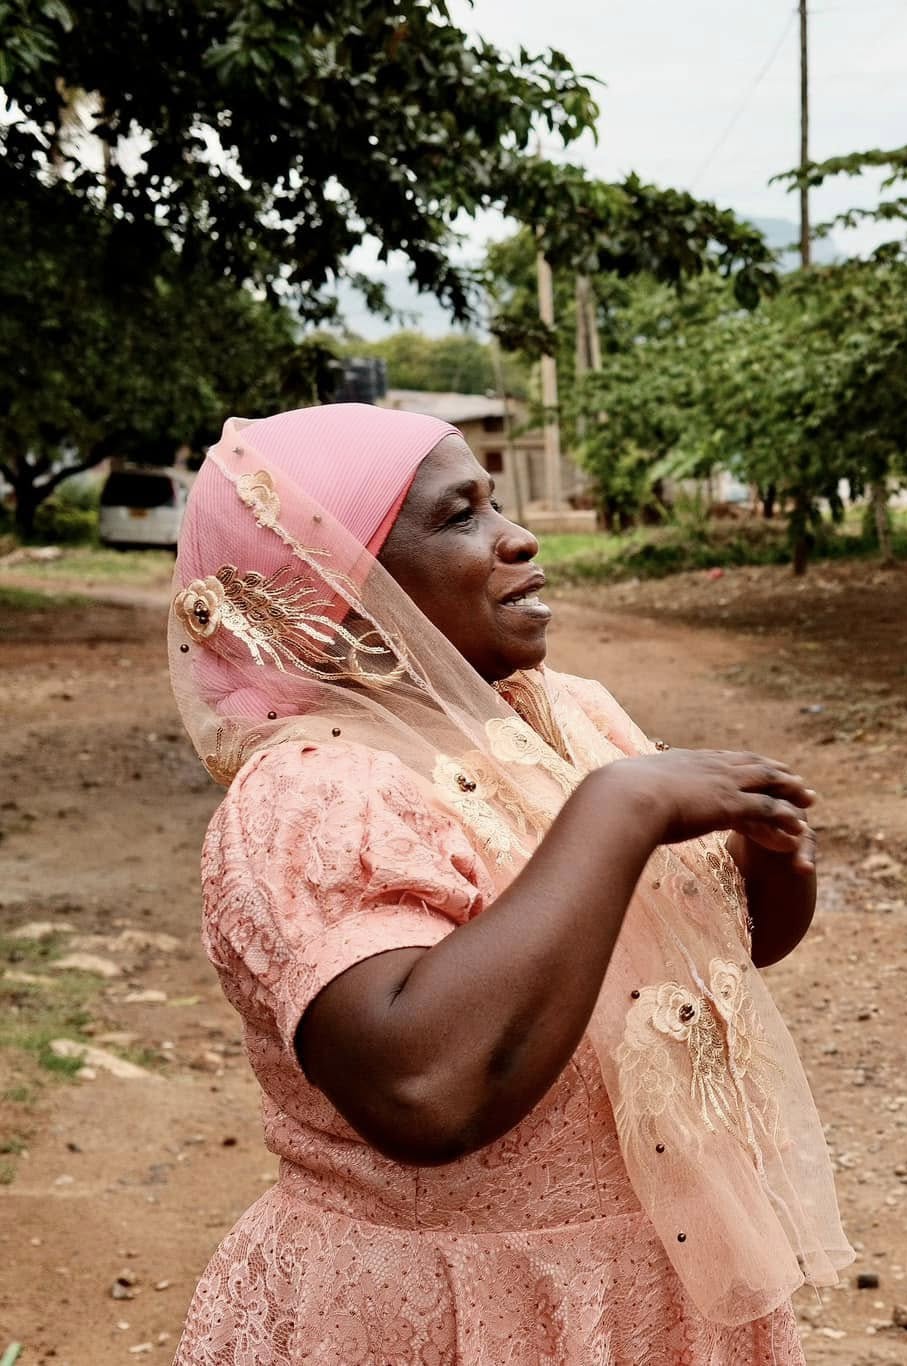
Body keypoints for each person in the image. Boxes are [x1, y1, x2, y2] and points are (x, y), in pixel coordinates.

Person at [168, 404, 850, 1364]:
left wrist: (767, 866)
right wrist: (618, 813)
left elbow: (718, 948)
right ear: (339, 591)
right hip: (445, 1309)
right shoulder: (316, 794)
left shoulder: (563, 717)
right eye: (461, 518)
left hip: (654, 1290)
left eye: (495, 504)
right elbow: (423, 1089)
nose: (518, 534)